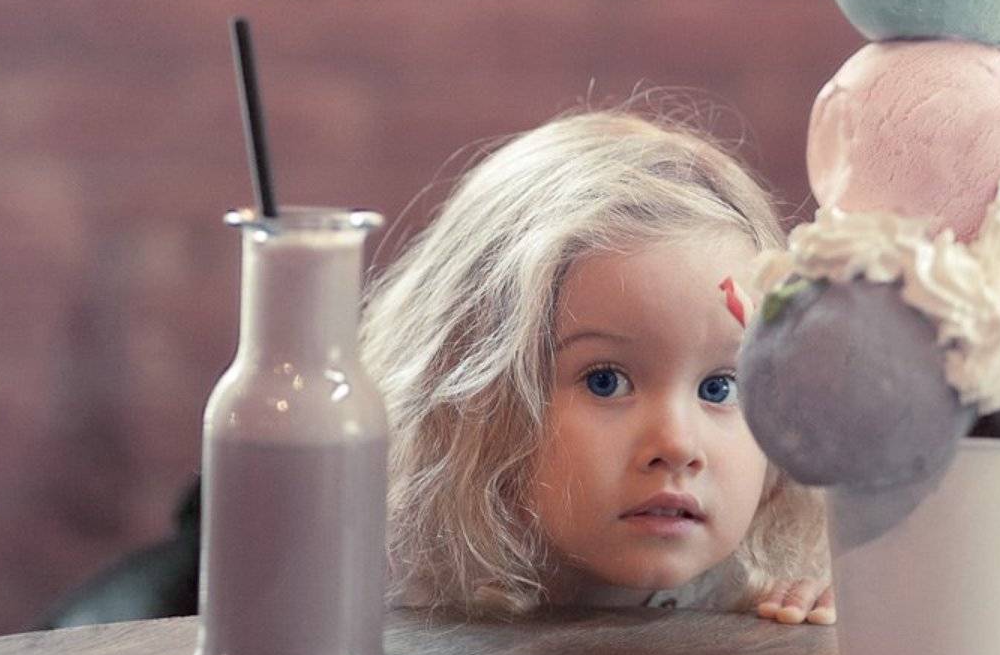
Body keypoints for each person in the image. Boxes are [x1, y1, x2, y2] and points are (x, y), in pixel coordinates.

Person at [357, 105, 834, 623]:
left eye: (720, 388)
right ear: (473, 399)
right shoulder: (378, 597)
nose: (677, 446)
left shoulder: (766, 596)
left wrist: (824, 620)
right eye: (606, 382)